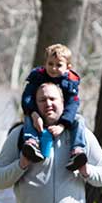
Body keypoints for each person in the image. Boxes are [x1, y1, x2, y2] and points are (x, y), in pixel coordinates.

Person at [18, 44, 89, 172]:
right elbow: (27, 97)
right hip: (38, 115)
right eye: (50, 64)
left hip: (63, 118)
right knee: (28, 117)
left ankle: (77, 150)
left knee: (79, 120)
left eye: (59, 65)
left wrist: (62, 125)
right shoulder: (38, 76)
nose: (54, 68)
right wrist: (34, 114)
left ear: (68, 67)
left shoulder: (70, 82)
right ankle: (31, 143)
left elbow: (73, 104)